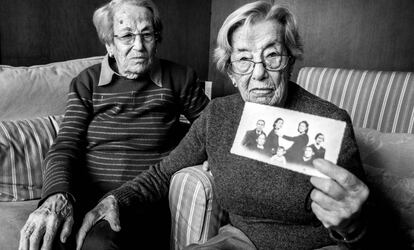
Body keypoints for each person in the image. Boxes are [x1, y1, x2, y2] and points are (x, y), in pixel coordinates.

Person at [75, 1, 371, 249]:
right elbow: (161, 173)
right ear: (230, 70)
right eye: (243, 59)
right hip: (240, 242)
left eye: (272, 56)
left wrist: (354, 225)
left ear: (291, 61)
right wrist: (115, 199)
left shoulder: (331, 121)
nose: (258, 74)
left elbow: (363, 227)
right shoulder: (219, 115)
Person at [18, 0, 209, 249]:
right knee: (47, 237)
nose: (139, 46)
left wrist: (211, 154)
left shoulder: (180, 79)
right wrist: (56, 195)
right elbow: (66, 145)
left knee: (98, 244)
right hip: (87, 194)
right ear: (110, 44)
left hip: (144, 198)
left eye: (146, 34)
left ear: (157, 37)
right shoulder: (87, 82)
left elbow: (211, 126)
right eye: (127, 36)